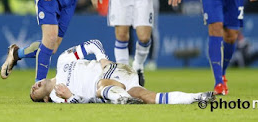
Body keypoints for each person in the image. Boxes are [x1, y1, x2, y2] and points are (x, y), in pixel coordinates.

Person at [29, 39, 215, 105]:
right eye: (34, 92)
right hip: (116, 86)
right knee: (152, 98)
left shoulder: (63, 60)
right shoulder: (58, 97)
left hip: (113, 71)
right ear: (44, 99)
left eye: (32, 86)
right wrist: (70, 96)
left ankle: (122, 99)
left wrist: (102, 59)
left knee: (101, 86)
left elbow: (94, 44)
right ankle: (198, 97)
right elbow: (84, 101)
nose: (34, 86)